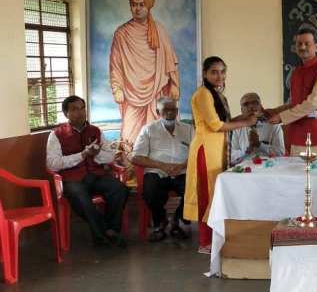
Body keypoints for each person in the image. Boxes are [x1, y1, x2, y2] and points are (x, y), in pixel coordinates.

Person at [184, 56, 258, 253]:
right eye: (214, 72)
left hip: (218, 150)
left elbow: (226, 122)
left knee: (215, 194)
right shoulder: (202, 94)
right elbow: (216, 126)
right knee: (205, 195)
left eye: (222, 71)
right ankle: (205, 242)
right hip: (205, 151)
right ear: (205, 74)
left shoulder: (218, 95)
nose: (219, 76)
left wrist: (246, 117)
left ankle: (214, 237)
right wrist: (246, 123)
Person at [46, 96, 129, 248]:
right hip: (73, 179)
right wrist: (82, 155)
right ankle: (106, 233)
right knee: (81, 198)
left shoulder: (95, 131)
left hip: (97, 175)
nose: (80, 112)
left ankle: (110, 230)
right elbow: (53, 164)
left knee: (119, 189)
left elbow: (110, 155)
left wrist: (97, 154)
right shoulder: (56, 134)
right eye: (74, 109)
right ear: (66, 114)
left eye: (82, 108)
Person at [109, 0, 180, 146]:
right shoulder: (121, 34)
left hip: (157, 92)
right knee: (128, 137)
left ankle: (159, 170)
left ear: (148, 6)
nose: (137, 8)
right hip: (131, 94)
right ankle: (131, 172)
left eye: (141, 4)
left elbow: (171, 62)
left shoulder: (160, 31)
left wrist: (175, 85)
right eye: (134, 5)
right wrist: (117, 88)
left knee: (158, 138)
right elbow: (115, 65)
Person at [267, 29, 317, 157]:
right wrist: (274, 111)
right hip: (297, 137)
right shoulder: (296, 73)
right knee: (296, 176)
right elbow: (295, 103)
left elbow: (313, 103)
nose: (302, 47)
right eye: (299, 44)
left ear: (316, 47)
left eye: (307, 43)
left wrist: (282, 117)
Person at [131, 97, 194, 242]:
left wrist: (182, 165)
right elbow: (136, 157)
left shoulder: (188, 129)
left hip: (182, 171)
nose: (170, 113)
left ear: (177, 111)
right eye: (166, 109)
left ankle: (177, 220)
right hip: (157, 171)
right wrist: (162, 166)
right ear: (158, 111)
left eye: (173, 109)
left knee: (194, 190)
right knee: (150, 191)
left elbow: (196, 154)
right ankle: (160, 222)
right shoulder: (148, 129)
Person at [231, 93, 285, 163]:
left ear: (261, 107)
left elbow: (280, 153)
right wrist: (246, 150)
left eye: (255, 103)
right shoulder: (236, 127)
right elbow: (231, 155)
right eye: (246, 104)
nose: (251, 106)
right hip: (244, 168)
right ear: (241, 110)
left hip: (269, 168)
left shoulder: (273, 125)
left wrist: (260, 145)